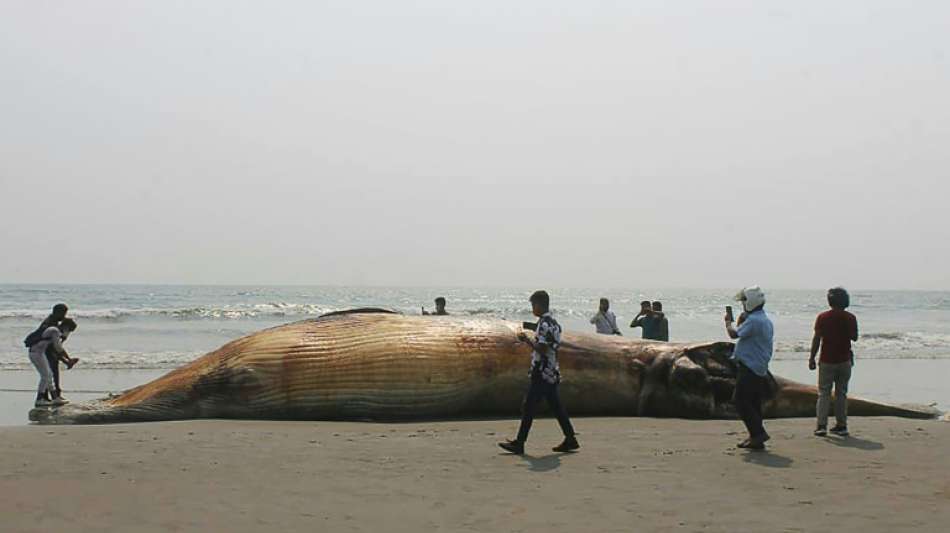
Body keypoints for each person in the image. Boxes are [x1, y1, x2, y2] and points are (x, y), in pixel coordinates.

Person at [499, 290, 579, 455]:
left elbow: (542, 348)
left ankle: (519, 443)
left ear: (539, 305)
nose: (532, 308)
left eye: (533, 305)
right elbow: (547, 336)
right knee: (556, 407)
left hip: (542, 372)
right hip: (552, 371)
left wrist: (526, 340)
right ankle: (570, 439)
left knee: (528, 407)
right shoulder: (553, 323)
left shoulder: (544, 324)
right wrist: (526, 326)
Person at [724, 286, 774, 450]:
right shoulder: (763, 319)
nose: (743, 305)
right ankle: (755, 436)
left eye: (744, 301)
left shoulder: (754, 321)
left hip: (750, 366)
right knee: (753, 402)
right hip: (758, 365)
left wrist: (728, 322)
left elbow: (734, 334)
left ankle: (758, 433)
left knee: (740, 401)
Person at [809, 287, 858, 437]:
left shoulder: (823, 317)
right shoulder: (850, 317)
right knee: (841, 393)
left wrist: (812, 357)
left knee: (823, 393)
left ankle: (821, 425)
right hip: (844, 360)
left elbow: (817, 338)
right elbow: (854, 337)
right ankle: (841, 425)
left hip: (827, 360)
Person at [28, 318, 78, 407]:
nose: (68, 333)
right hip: (35, 353)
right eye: (69, 330)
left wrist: (67, 360)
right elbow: (58, 348)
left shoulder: (55, 331)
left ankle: (55, 397)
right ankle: (40, 399)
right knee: (45, 376)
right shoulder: (54, 331)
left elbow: (56, 349)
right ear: (66, 327)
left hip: (40, 353)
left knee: (49, 374)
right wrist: (69, 359)